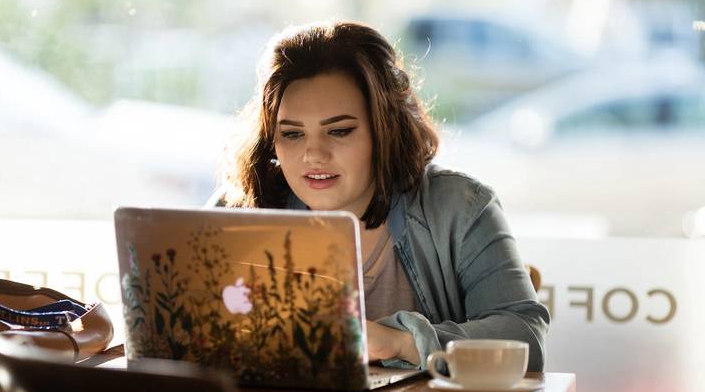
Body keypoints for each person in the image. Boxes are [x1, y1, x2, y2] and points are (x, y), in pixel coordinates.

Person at [208, 20, 550, 371]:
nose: (313, 154)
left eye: (339, 131)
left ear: (385, 129)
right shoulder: (240, 207)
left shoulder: (461, 208)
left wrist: (400, 342)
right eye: (293, 134)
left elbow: (525, 337)